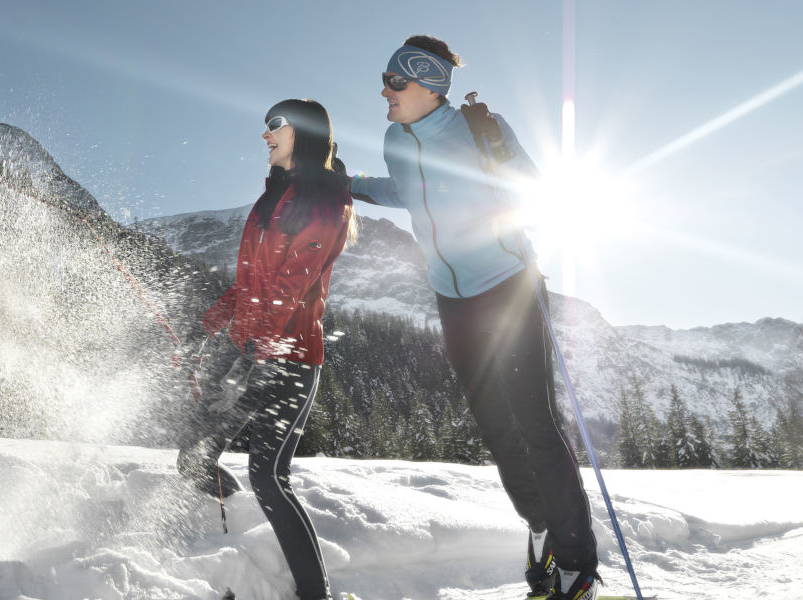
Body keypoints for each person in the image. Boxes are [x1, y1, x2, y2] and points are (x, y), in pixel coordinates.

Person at [348, 36, 601, 600]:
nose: (383, 91)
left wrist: (492, 214)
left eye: (394, 81)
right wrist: (352, 186)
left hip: (507, 286)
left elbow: (534, 191)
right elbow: (405, 191)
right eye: (385, 79)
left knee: (535, 422)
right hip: (450, 297)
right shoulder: (395, 139)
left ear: (428, 85)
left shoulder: (482, 128)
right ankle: (542, 527)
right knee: (494, 424)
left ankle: (578, 565)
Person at [177, 98, 356, 600]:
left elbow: (292, 285)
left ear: (304, 133)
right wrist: (209, 324)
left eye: (275, 126)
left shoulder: (324, 200)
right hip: (248, 348)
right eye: (265, 126)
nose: (266, 135)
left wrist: (256, 351)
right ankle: (229, 537)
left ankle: (313, 593)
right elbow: (251, 282)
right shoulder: (273, 197)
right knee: (195, 456)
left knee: (270, 476)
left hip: (288, 357)